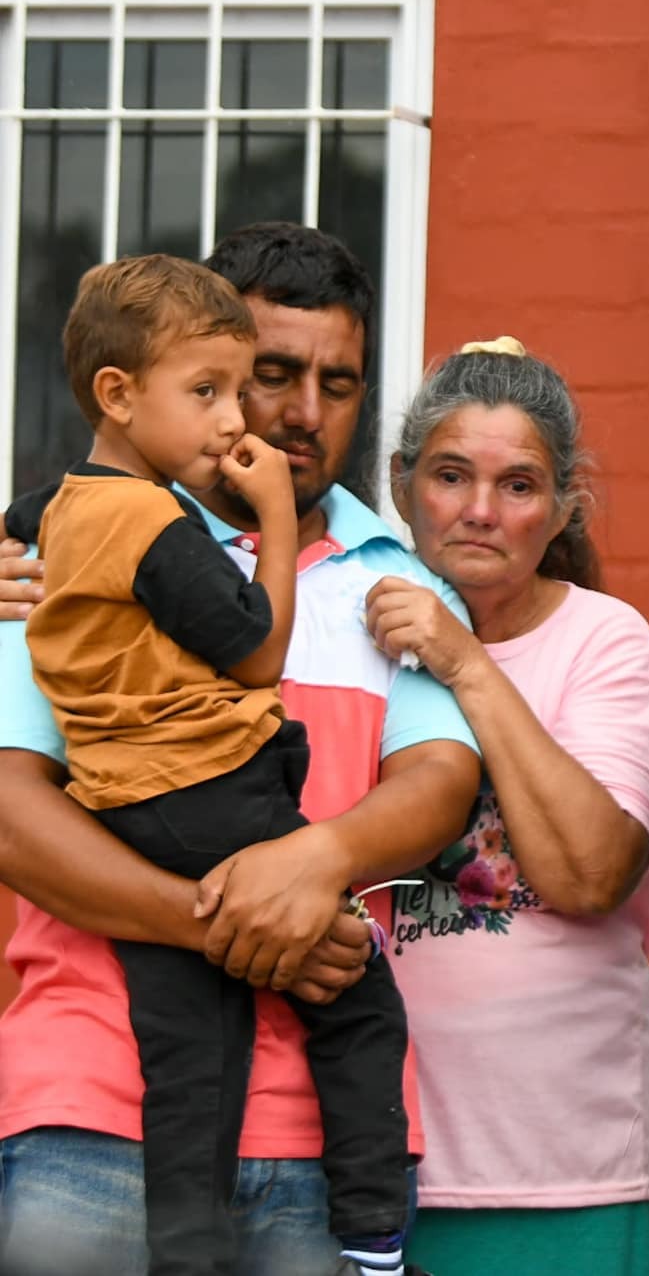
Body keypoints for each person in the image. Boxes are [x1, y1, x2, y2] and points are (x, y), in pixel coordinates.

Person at [0, 223, 480, 1276]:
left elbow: (440, 786)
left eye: (337, 383)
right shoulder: (42, 559)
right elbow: (12, 818)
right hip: (94, 1115)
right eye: (265, 376)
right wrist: (242, 923)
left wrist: (311, 865)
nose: (302, 412)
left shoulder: (400, 578)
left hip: (324, 1143)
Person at [356, 337, 649, 1276]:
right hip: (356, 1154)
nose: (481, 512)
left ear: (564, 506)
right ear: (403, 482)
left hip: (560, 1164)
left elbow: (591, 874)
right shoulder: (338, 621)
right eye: (451, 475)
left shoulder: (602, 639)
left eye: (519, 486)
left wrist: (463, 661)